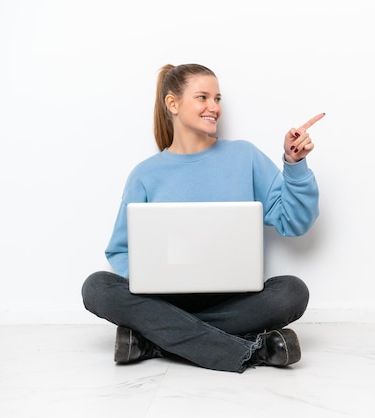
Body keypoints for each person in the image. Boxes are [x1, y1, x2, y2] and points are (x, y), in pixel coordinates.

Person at [81, 63, 324, 373]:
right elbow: (119, 249)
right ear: (173, 104)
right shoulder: (145, 175)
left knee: (292, 292)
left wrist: (295, 165)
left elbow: (295, 223)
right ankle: (250, 351)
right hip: (167, 301)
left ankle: (154, 340)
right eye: (203, 97)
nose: (214, 107)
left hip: (234, 300)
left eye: (218, 99)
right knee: (96, 286)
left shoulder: (245, 157)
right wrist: (153, 276)